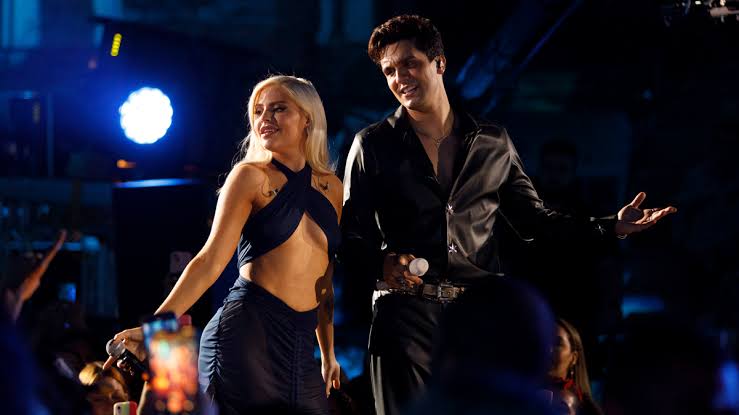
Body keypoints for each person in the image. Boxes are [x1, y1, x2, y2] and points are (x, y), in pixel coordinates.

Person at [340, 14, 677, 415]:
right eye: (389, 71)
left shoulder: (493, 141)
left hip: (478, 320)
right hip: (404, 318)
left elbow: (536, 222)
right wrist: (380, 263)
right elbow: (349, 236)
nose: (400, 78)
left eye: (410, 63)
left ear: (439, 63)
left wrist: (612, 226)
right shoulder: (372, 144)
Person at [105, 75, 343, 415]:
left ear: (308, 117)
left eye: (278, 109)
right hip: (247, 334)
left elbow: (324, 280)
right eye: (258, 111)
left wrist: (329, 353)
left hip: (302, 345)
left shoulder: (332, 187)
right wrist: (154, 328)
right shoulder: (250, 177)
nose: (265, 118)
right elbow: (209, 261)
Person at [547, 319, 603, 415]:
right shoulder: (522, 395)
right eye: (544, 340)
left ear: (574, 358)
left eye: (557, 343)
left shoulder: (575, 404)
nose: (548, 349)